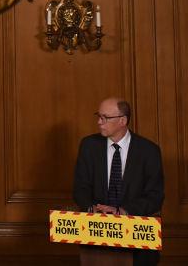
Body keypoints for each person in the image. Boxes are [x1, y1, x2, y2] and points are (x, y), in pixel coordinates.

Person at [73, 98, 164, 265]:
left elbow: (155, 196)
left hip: (136, 242)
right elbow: (80, 187)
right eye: (98, 116)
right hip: (97, 237)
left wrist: (123, 211)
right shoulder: (89, 145)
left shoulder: (149, 151)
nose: (99, 122)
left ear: (123, 121)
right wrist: (93, 209)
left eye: (105, 118)